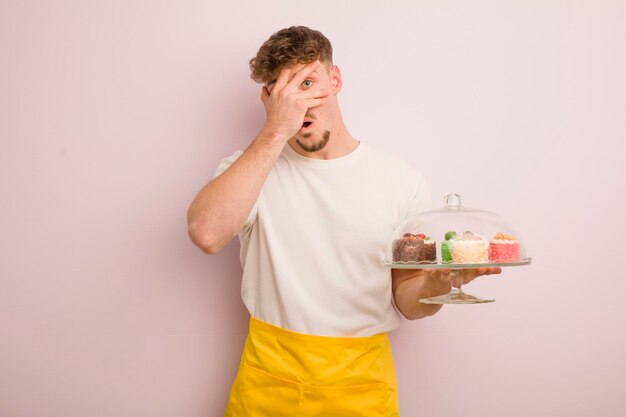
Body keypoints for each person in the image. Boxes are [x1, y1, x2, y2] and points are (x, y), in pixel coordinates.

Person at [187, 26, 501, 417]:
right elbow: (206, 233)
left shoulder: (401, 182)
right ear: (268, 99)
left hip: (362, 387)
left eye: (307, 83)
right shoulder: (249, 170)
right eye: (283, 92)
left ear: (335, 80)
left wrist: (436, 282)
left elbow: (408, 300)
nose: (300, 103)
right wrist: (274, 131)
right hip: (269, 384)